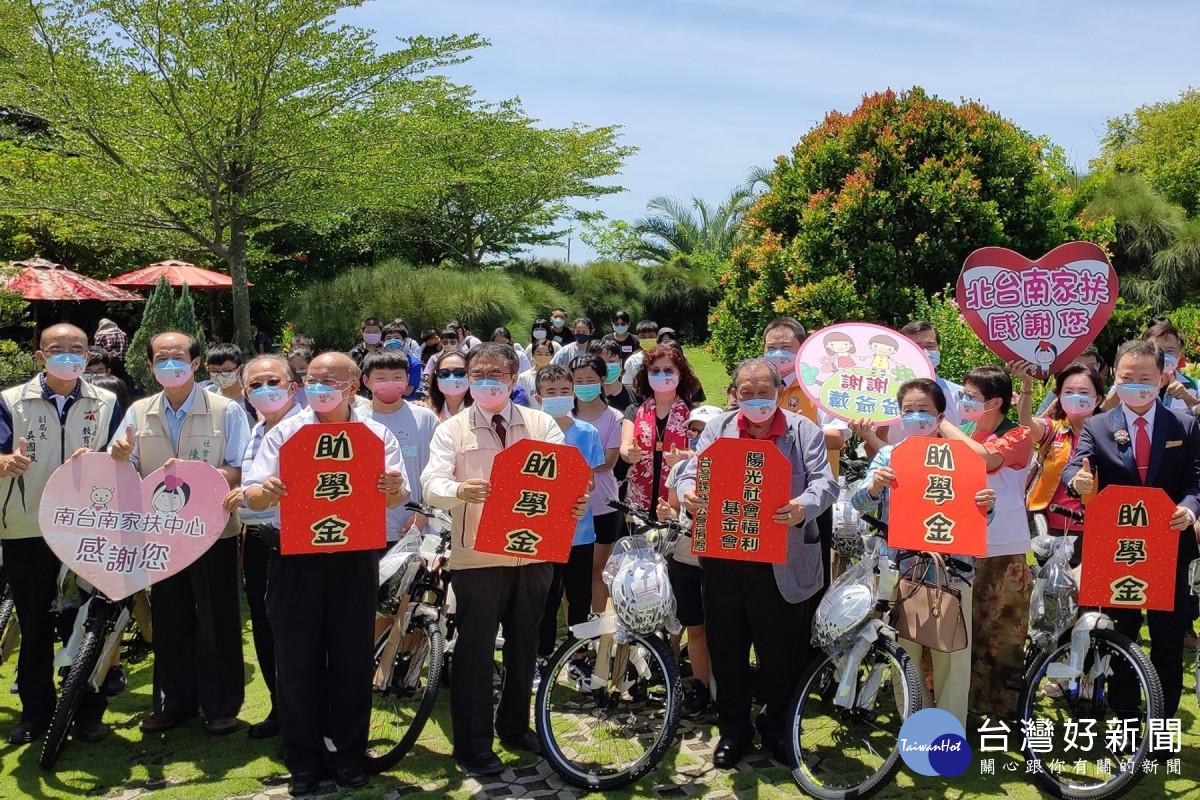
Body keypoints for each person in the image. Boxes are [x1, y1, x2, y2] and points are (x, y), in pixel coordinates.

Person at [243, 352, 408, 793]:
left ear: (353, 387)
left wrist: (393, 489)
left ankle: (349, 755)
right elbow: (252, 498)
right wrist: (266, 491)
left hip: (354, 558)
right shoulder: (285, 433)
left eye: (330, 380)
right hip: (294, 559)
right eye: (312, 379)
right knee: (296, 659)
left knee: (352, 659)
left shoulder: (375, 434)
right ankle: (303, 759)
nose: (319, 387)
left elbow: (396, 496)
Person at [422, 343, 589, 776]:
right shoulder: (452, 429)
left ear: (515, 379)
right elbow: (431, 482)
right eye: (476, 374)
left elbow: (565, 475)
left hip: (534, 553)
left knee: (525, 645)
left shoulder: (540, 424)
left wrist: (575, 501)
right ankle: (473, 746)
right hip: (477, 558)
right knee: (475, 652)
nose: (485, 380)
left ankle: (515, 726)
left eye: (495, 373)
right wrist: (458, 491)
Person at [678, 358, 837, 767]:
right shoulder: (719, 428)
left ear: (779, 391)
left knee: (782, 655)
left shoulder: (803, 430)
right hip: (725, 557)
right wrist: (689, 492)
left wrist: (803, 505)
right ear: (734, 394)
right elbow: (690, 472)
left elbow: (826, 481)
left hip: (782, 562)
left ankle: (779, 729)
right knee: (727, 651)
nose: (755, 399)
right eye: (745, 393)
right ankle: (734, 731)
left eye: (763, 391)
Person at [109, 331, 251, 735]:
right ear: (150, 366)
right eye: (160, 358)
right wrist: (119, 456)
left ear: (194, 363)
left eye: (177, 357)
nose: (169, 364)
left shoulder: (226, 410)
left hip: (213, 532)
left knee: (217, 618)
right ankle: (174, 704)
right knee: (170, 620)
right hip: (161, 534)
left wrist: (194, 476)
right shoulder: (139, 411)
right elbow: (123, 464)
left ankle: (221, 705)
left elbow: (239, 469)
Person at [1, 324, 122, 745]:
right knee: (34, 622)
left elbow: (123, 457)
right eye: (58, 349)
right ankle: (36, 714)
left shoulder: (106, 400)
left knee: (86, 621)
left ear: (89, 356)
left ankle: (88, 711)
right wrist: (4, 462)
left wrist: (108, 459)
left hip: (87, 527)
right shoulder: (10, 401)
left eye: (77, 349)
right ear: (39, 356)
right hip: (25, 526)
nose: (68, 356)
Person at [1065, 339, 1200, 717]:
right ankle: (1125, 721)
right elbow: (1076, 467)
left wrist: (1188, 511)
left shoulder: (1185, 426)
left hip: (1169, 544)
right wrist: (1079, 482)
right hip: (1118, 545)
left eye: (1145, 377)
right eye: (1127, 377)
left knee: (1168, 642)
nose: (1136, 384)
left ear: (1162, 378)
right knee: (1120, 637)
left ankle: (1161, 727)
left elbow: (1197, 481)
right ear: (1115, 380)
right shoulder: (1098, 424)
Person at [853, 379, 996, 728]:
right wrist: (874, 485)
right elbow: (859, 501)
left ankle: (949, 732)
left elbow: (980, 516)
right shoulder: (890, 454)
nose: (916, 417)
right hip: (903, 570)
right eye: (908, 411)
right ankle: (914, 728)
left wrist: (987, 506)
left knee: (953, 655)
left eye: (924, 411)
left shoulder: (962, 457)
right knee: (906, 654)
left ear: (940, 416)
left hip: (953, 571)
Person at [225, 354, 302, 741]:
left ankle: (299, 714)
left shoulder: (306, 429)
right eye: (255, 385)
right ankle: (278, 705)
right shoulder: (256, 428)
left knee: (295, 633)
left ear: (293, 386)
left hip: (296, 543)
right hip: (257, 542)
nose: (264, 390)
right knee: (265, 627)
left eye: (273, 381)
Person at [948, 365, 1032, 720]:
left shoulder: (1017, 433)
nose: (964, 402)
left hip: (1003, 547)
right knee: (961, 630)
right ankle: (961, 706)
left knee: (1000, 635)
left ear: (996, 402)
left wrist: (944, 425)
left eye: (972, 397)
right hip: (961, 540)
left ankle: (1002, 712)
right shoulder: (965, 429)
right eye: (963, 395)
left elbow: (984, 459)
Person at [533, 364, 604, 679]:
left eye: (565, 390)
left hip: (580, 531)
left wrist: (578, 489)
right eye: (551, 392)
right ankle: (540, 657)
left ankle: (579, 658)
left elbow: (590, 479)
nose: (559, 396)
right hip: (542, 531)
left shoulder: (587, 432)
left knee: (579, 598)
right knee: (545, 599)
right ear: (539, 397)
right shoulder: (532, 432)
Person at [658, 403, 724, 720]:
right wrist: (665, 514)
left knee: (724, 631)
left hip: (723, 561)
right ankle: (700, 690)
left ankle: (725, 691)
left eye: (705, 430)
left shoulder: (734, 467)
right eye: (694, 430)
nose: (699, 436)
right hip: (685, 557)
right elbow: (671, 509)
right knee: (695, 629)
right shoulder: (680, 469)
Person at [1014, 360, 1103, 565]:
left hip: (1094, 525)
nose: (1076, 397)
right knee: (1052, 589)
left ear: (1097, 399)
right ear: (1059, 398)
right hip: (1050, 522)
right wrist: (1026, 386)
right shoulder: (1052, 430)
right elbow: (1026, 422)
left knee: (1087, 590)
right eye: (1069, 392)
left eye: (1083, 392)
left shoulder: (1107, 434)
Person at [362, 349, 439, 541]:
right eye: (381, 378)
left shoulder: (425, 418)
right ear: (366, 381)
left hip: (415, 529)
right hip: (365, 530)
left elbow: (438, 472)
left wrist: (423, 514)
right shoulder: (354, 420)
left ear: (407, 380)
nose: (390, 383)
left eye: (397, 377)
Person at [569, 355, 625, 614]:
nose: (583, 385)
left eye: (589, 380)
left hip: (603, 504)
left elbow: (609, 461)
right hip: (569, 506)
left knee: (597, 570)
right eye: (577, 380)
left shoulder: (614, 417)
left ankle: (597, 629)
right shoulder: (562, 416)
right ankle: (573, 632)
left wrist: (570, 467)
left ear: (602, 381)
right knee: (570, 573)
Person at [860, 320, 964, 457]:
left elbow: (971, 445)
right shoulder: (883, 395)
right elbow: (871, 452)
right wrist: (884, 423)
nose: (925, 352)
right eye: (917, 347)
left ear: (939, 349)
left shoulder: (960, 394)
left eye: (930, 346)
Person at [621, 345, 702, 518]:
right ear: (646, 374)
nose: (661, 375)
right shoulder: (634, 410)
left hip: (676, 500)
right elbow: (625, 447)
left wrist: (684, 456)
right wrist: (630, 453)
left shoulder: (692, 413)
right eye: (655, 370)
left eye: (668, 370)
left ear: (680, 374)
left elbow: (702, 454)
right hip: (639, 498)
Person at [1144, 318, 1199, 413]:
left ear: (1180, 354)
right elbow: (1110, 411)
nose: (1163, 356)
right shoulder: (1132, 384)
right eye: (1157, 350)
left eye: (1170, 350)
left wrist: (1189, 400)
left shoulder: (1195, 386)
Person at [1035, 344, 1107, 416]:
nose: (1086, 372)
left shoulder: (1105, 400)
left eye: (1092, 367)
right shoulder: (1055, 396)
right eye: (1079, 367)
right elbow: (1036, 422)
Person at [205, 342, 255, 423]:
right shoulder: (206, 394)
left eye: (226, 371)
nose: (220, 375)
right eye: (214, 371)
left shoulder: (251, 398)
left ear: (240, 369)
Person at [589, 339, 637, 414]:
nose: (606, 367)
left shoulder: (637, 397)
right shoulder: (587, 399)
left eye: (611, 361)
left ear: (620, 363)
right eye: (601, 362)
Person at [381, 320, 425, 400]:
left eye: (397, 338)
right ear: (383, 341)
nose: (392, 340)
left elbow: (407, 391)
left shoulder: (414, 363)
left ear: (404, 340)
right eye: (388, 338)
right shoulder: (378, 362)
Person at [426, 351, 471, 422]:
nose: (451, 377)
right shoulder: (427, 412)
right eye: (444, 373)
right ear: (436, 379)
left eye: (459, 372)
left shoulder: (481, 411)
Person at [621, 320, 661, 388]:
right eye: (643, 337)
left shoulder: (664, 357)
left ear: (657, 337)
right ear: (638, 338)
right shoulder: (631, 361)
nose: (647, 339)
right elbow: (627, 385)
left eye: (651, 337)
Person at [517, 340, 554, 410]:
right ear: (533, 354)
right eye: (539, 354)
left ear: (551, 355)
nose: (543, 357)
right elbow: (521, 401)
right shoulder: (524, 377)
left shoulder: (558, 376)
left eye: (547, 354)